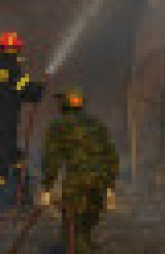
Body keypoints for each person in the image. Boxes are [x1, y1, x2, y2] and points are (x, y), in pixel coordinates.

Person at [41, 87, 119, 253]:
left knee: (73, 231)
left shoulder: (58, 125)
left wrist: (47, 188)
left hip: (77, 185)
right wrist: (110, 187)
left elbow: (51, 160)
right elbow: (111, 155)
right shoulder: (97, 124)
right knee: (85, 226)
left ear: (64, 104)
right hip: (100, 183)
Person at [0, 31, 44, 207]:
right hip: (6, 124)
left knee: (17, 158)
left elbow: (8, 93)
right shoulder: (14, 70)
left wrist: (31, 91)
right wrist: (38, 89)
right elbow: (28, 93)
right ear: (16, 49)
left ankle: (23, 197)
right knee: (2, 163)